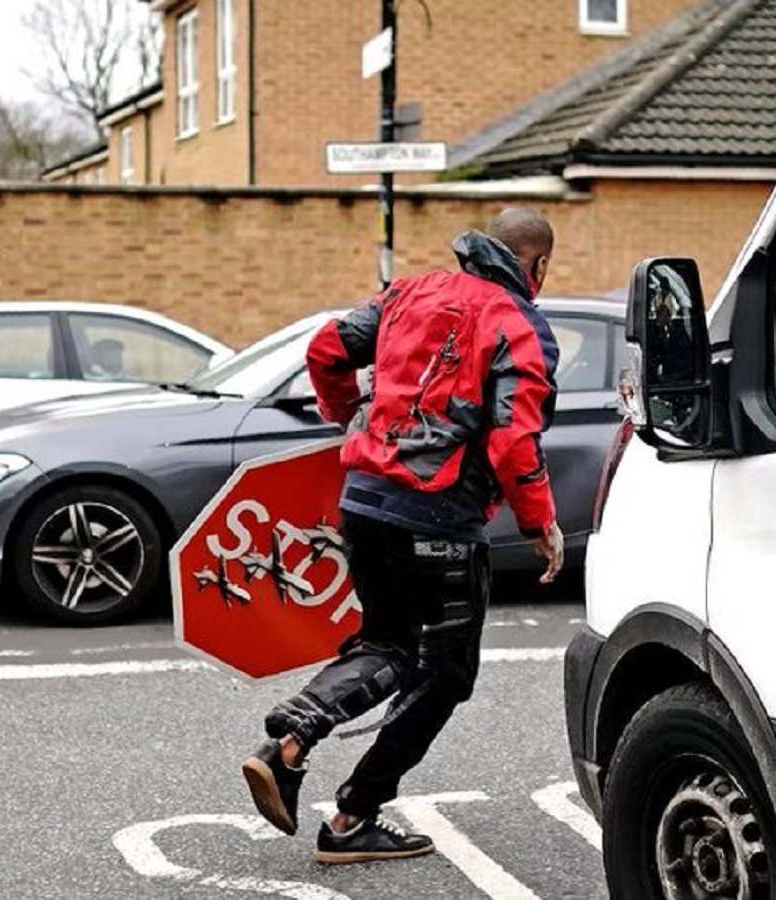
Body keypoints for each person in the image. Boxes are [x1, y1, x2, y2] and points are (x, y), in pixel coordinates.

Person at [240, 207, 565, 865]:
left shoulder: (406, 292)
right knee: (445, 676)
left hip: (364, 503)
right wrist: (542, 525)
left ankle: (292, 743)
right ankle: (353, 813)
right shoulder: (518, 325)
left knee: (388, 643)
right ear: (537, 267)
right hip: (439, 518)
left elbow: (327, 350)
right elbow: (512, 442)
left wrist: (346, 418)